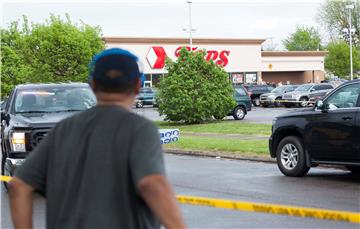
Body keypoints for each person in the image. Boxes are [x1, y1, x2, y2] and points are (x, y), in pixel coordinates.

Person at [8, 48, 186, 229]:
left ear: (92, 84)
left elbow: (18, 186)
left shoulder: (63, 130)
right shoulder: (140, 129)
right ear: (137, 85)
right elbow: (152, 184)